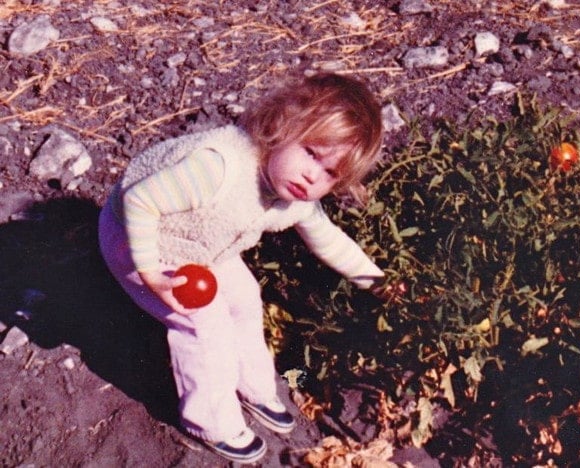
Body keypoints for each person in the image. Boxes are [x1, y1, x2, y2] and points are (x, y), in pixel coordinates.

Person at [98, 72, 386, 464]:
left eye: (331, 173)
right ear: (279, 126)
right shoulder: (220, 168)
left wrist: (379, 283)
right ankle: (210, 419)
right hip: (136, 238)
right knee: (204, 318)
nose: (312, 175)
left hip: (198, 245)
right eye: (311, 153)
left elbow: (328, 238)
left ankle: (256, 387)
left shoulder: (295, 196)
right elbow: (140, 201)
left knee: (246, 297)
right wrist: (149, 272)